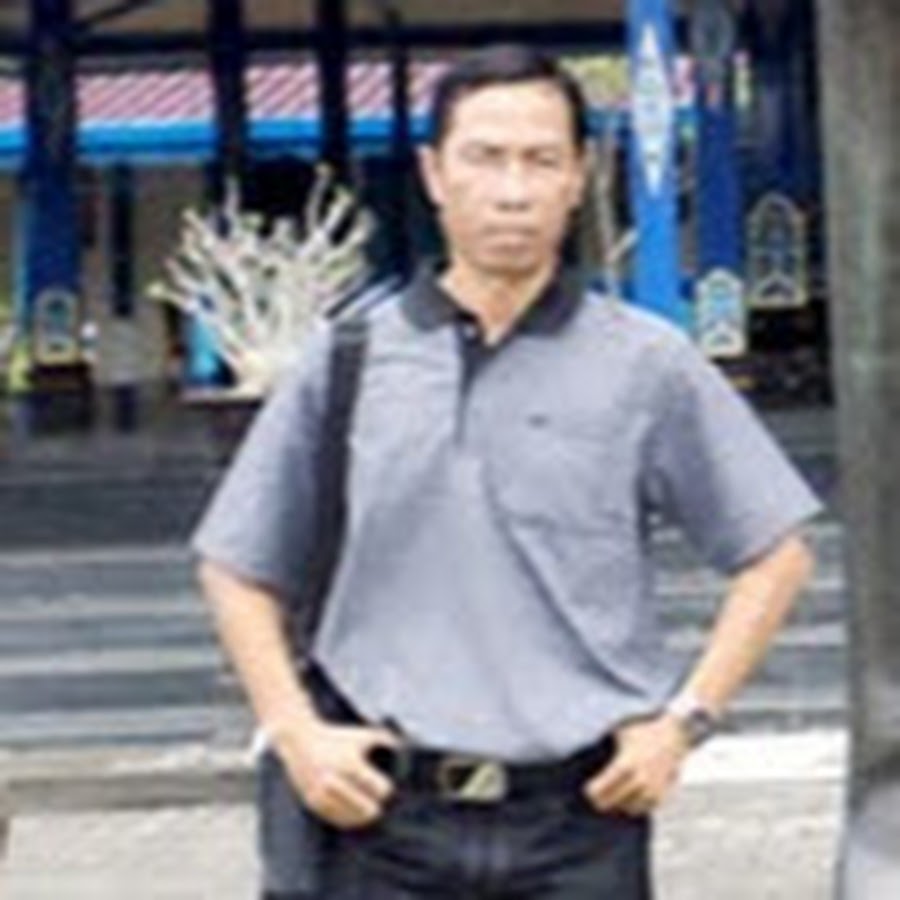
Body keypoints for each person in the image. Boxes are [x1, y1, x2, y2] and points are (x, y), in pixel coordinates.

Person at [193, 44, 822, 899]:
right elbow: (236, 566)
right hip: (378, 819)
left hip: (579, 823)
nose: (513, 190)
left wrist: (683, 722)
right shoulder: (348, 362)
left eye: (541, 160)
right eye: (485, 158)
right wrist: (294, 731)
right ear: (434, 174)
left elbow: (776, 557)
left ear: (578, 177)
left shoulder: (646, 365)